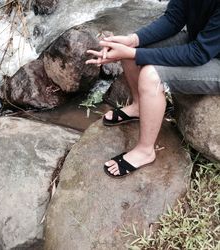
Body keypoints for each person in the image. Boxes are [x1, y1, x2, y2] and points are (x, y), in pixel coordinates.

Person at [85, 0, 220, 178]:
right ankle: (139, 107)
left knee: (151, 77)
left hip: (211, 58)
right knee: (131, 47)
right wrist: (131, 41)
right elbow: (174, 19)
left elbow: (199, 53)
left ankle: (145, 151)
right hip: (199, 42)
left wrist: (133, 54)